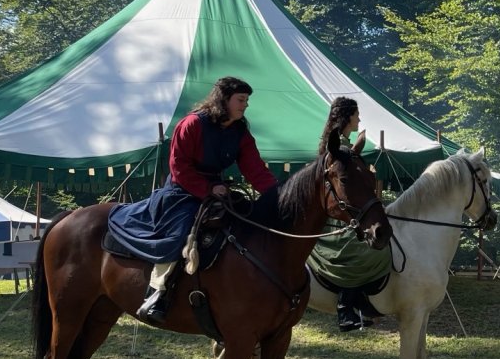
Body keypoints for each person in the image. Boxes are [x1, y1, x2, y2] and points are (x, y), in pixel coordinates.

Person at [109, 77, 278, 324]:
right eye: (241, 100)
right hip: (182, 192)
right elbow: (178, 167)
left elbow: (255, 169)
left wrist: (277, 195)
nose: (245, 105)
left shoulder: (240, 131)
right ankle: (158, 292)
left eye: (246, 100)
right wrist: (208, 188)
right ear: (224, 99)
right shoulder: (192, 124)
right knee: (179, 234)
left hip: (218, 191)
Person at [307, 96, 392, 332]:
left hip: (349, 212)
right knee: (362, 252)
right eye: (356, 115)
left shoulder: (344, 143)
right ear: (347, 117)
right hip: (340, 218)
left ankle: (361, 302)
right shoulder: (339, 146)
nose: (359, 119)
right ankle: (346, 307)